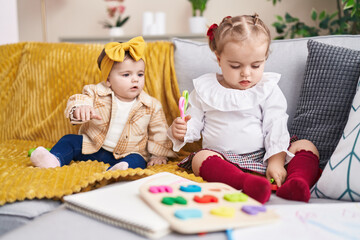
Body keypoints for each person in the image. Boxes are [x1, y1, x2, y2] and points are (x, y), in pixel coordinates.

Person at [168, 15, 321, 204]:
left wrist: (276, 161)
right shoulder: (205, 89)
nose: (246, 73)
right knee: (201, 158)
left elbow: (276, 126)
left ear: (265, 59)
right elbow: (193, 122)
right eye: (235, 66)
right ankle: (246, 183)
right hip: (223, 160)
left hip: (266, 155)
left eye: (256, 65)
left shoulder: (267, 88)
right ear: (219, 58)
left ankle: (297, 182)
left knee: (306, 145)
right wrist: (181, 131)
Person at [31, 36, 176, 171]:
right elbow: (80, 99)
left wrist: (158, 155)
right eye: (126, 75)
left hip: (128, 153)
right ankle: (53, 159)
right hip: (92, 146)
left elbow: (159, 132)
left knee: (138, 160)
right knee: (69, 140)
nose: (135, 80)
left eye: (140, 74)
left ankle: (120, 170)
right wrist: (80, 108)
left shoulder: (151, 105)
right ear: (108, 80)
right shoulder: (95, 92)